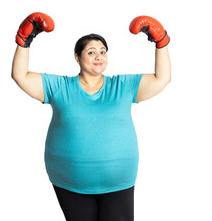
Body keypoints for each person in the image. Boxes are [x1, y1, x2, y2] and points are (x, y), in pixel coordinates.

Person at [11, 12, 171, 221]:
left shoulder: (123, 86)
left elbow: (162, 78)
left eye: (103, 52)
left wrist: (161, 42)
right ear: (77, 57)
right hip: (70, 181)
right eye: (92, 52)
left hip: (118, 181)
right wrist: (23, 42)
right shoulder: (59, 87)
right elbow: (20, 76)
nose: (99, 57)